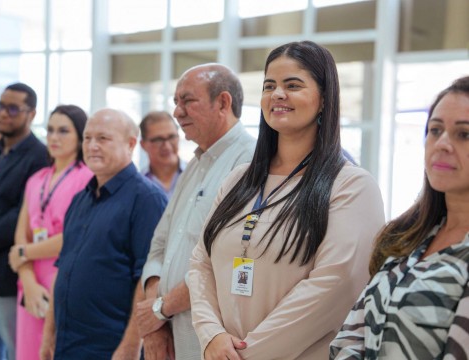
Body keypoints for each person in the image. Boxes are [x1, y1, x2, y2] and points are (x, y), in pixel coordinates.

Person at [187, 41, 385, 360]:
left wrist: (245, 355)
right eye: (269, 86)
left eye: (292, 85)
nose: (277, 94)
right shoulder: (239, 179)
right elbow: (200, 262)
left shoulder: (351, 186)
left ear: (323, 99)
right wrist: (211, 336)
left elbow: (333, 289)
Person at [330, 76, 469, 359]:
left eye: (464, 134)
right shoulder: (405, 236)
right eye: (435, 130)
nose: (442, 143)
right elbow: (350, 336)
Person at [136, 63, 256, 360]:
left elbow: (230, 262)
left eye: (187, 100)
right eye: (176, 102)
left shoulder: (251, 162)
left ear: (223, 103)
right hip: (172, 331)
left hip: (214, 341)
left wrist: (160, 310)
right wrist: (155, 323)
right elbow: (159, 245)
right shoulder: (195, 164)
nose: (177, 112)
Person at [40, 108, 167, 360]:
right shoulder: (80, 199)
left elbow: (149, 281)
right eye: (87, 138)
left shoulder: (147, 199)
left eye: (103, 138)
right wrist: (49, 333)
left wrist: (131, 346)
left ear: (131, 144)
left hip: (111, 346)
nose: (92, 146)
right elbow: (62, 269)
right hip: (68, 343)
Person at [0, 82, 49, 360]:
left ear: (32, 113)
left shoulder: (40, 157)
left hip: (7, 274)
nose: (4, 113)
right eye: (1, 106)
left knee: (17, 351)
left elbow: (20, 217)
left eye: (13, 108)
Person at [7, 105, 93, 360]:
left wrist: (23, 252)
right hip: (30, 282)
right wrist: (28, 280)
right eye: (51, 130)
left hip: (64, 279)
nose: (54, 137)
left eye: (64, 131)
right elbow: (22, 232)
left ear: (79, 136)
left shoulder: (88, 178)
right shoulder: (36, 179)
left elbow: (75, 235)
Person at [139, 111, 186, 199]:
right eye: (158, 140)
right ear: (143, 144)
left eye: (172, 137)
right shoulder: (138, 184)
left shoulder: (198, 175)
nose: (167, 146)